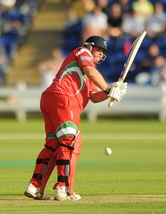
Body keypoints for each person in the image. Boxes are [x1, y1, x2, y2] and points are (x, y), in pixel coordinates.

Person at [24, 36, 127, 201]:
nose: (101, 54)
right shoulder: (83, 52)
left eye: (103, 53)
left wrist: (113, 90)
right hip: (64, 99)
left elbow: (93, 96)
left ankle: (35, 186)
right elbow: (92, 72)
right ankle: (63, 188)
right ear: (90, 47)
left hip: (50, 99)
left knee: (52, 145)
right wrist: (108, 89)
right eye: (99, 50)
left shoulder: (86, 74)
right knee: (70, 143)